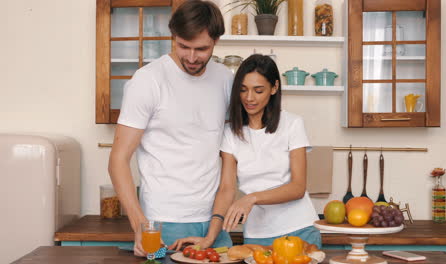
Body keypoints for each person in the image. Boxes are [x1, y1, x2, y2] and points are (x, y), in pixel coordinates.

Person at [108, 0, 233, 257]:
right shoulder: (148, 81)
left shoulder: (226, 80)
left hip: (213, 222)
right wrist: (141, 225)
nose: (191, 57)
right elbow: (118, 159)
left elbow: (231, 155)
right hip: (163, 220)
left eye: (201, 49)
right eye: (183, 46)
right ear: (173, 37)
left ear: (216, 41)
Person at [171, 54, 322, 249]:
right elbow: (226, 189)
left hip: (299, 229)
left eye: (258, 90)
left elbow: (298, 187)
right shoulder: (231, 133)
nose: (249, 98)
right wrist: (210, 238)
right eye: (243, 90)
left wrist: (252, 198)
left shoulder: (292, 124)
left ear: (274, 88)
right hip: (257, 236)